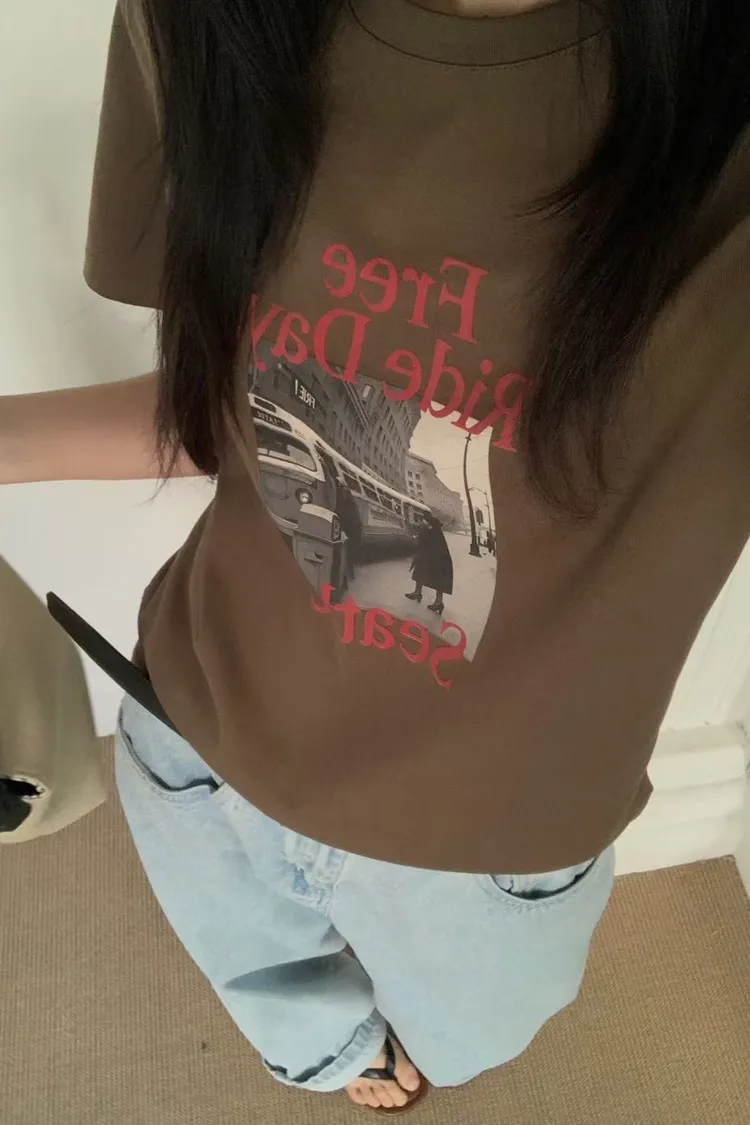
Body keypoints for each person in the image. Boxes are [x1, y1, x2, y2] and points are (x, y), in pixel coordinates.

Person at [2, 0, 749, 1114]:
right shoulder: (202, 23)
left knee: (470, 1036)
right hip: (195, 724)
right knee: (273, 993)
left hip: (484, 844)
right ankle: (337, 1057)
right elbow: (245, 412)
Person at [405, 514, 454, 614]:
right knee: (421, 572)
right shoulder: (434, 531)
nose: (423, 524)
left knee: (437, 580)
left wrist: (416, 538)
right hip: (436, 560)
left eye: (425, 523)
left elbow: (423, 541)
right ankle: (418, 593)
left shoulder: (432, 532)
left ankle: (438, 602)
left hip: (438, 561)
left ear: (429, 524)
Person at [335, 482, 363, 579]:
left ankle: (348, 571)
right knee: (350, 551)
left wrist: (342, 529)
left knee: (349, 551)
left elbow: (344, 515)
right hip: (352, 527)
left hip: (352, 527)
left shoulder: (344, 501)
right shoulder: (349, 501)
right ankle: (349, 571)